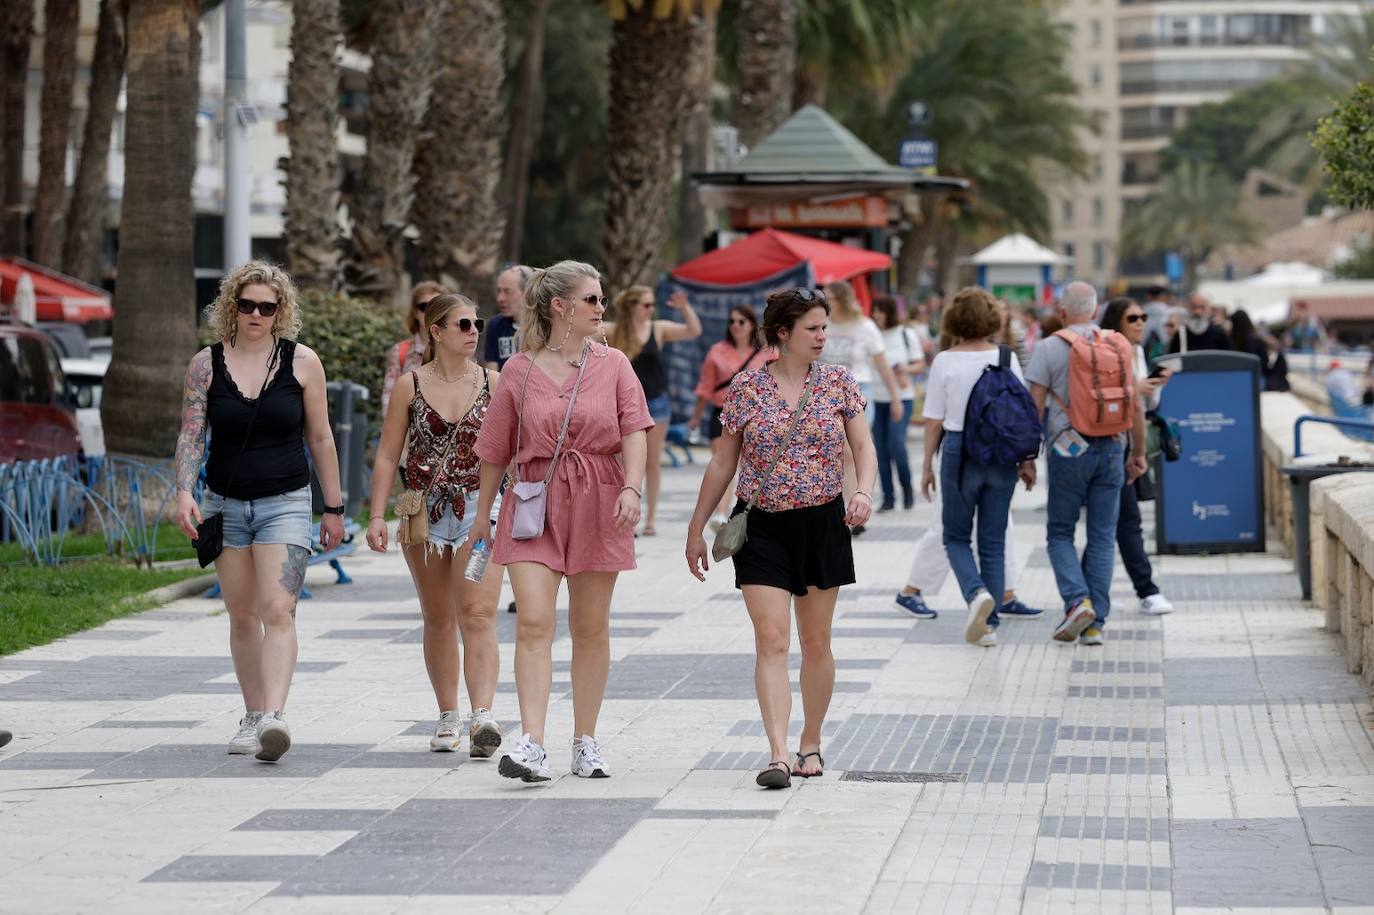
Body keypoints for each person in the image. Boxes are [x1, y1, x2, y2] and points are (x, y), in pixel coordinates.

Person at [685, 287, 876, 789]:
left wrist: (865, 493)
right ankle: (775, 753)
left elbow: (863, 445)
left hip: (822, 523)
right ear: (783, 333)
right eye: (812, 328)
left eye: (824, 327)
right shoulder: (747, 388)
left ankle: (809, 742)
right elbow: (724, 461)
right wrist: (695, 527)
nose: (822, 337)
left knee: (816, 643)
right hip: (761, 524)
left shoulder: (838, 383)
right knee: (771, 640)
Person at [470, 260, 651, 783]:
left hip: (599, 498)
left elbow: (635, 428)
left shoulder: (615, 363)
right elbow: (495, 450)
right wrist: (483, 514)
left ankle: (585, 740)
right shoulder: (517, 372)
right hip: (532, 503)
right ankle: (531, 743)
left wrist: (633, 487)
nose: (602, 309)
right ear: (560, 307)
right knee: (533, 622)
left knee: (590, 628)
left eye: (602, 299)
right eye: (592, 299)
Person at [174, 261, 346, 761]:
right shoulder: (205, 364)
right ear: (231, 306)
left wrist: (332, 506)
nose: (255, 314)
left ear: (280, 312)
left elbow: (321, 436)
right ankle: (252, 716)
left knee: (279, 609)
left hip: (286, 501)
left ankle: (274, 715)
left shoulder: (303, 362)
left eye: (266, 307)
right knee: (243, 614)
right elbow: (191, 433)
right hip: (223, 503)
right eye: (246, 304)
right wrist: (184, 490)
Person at [366, 294, 506, 756]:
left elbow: (510, 452)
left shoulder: (494, 382)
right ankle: (448, 714)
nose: (473, 331)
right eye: (463, 323)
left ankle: (482, 715)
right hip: (421, 513)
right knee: (438, 616)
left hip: (478, 512)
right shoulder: (410, 385)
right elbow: (389, 453)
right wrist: (375, 515)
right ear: (436, 331)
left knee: (479, 613)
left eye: (477, 323)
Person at [1026, 282, 1147, 647]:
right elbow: (1136, 404)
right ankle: (1095, 624)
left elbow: (1034, 408)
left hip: (1068, 449)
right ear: (1094, 311)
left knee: (1061, 532)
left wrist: (1028, 457)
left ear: (1062, 312)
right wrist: (1137, 453)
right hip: (1113, 445)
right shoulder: (1118, 344)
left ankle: (1078, 601)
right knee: (1101, 536)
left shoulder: (1048, 347)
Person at [919, 287, 1037, 647]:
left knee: (955, 536)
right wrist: (1027, 460)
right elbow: (1021, 414)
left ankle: (976, 595)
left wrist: (926, 466)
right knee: (993, 539)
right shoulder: (1006, 357)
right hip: (1002, 455)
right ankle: (990, 624)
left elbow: (934, 422)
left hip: (959, 453)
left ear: (954, 319)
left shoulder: (945, 361)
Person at [1098, 297, 1175, 616]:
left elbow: (1146, 405)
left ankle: (1091, 590)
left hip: (1131, 440)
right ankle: (1145, 589)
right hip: (1114, 443)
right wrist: (1136, 388)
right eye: (1133, 318)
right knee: (1124, 520)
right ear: (1116, 322)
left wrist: (1152, 386)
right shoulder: (1105, 352)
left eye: (1143, 317)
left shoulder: (1139, 352)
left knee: (1111, 521)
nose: (1141, 323)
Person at [605, 286, 701, 536]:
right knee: (622, 462)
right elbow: (581, 335)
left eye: (652, 305)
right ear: (632, 306)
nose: (651, 310)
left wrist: (684, 308)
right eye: (646, 305)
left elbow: (693, 331)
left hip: (655, 403)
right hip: (621, 405)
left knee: (652, 463)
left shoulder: (657, 329)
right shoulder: (614, 331)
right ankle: (625, 517)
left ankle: (650, 520)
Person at [820, 279, 902, 535]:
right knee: (834, 455)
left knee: (850, 451)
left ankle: (854, 506)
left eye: (830, 297)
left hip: (858, 393)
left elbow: (881, 364)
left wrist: (895, 397)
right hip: (824, 393)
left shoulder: (865, 327)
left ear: (842, 299)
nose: (825, 302)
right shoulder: (822, 323)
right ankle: (841, 505)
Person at [688, 304, 774, 531]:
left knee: (750, 464)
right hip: (721, 413)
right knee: (723, 462)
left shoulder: (766, 353)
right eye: (731, 322)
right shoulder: (717, 351)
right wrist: (696, 417)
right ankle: (720, 513)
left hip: (756, 415)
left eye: (741, 322)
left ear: (752, 325)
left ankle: (751, 511)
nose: (735, 326)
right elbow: (706, 387)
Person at [870, 295, 922, 511]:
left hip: (902, 398)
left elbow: (919, 365)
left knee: (896, 444)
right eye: (875, 310)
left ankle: (907, 488)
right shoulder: (872, 334)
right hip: (875, 398)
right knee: (880, 449)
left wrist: (905, 369)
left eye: (881, 310)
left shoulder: (905, 334)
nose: (876, 315)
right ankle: (888, 497)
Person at [383, 281, 449, 415]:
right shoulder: (400, 352)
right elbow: (388, 402)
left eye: (436, 306)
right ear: (414, 312)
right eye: (424, 306)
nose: (430, 312)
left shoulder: (456, 350)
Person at [485, 265, 531, 372]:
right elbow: (491, 373)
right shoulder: (496, 325)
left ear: (528, 292)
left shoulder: (546, 325)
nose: (500, 298)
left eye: (507, 291)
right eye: (499, 291)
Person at [1140, 285, 1172, 361]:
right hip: (1165, 348)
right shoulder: (1168, 310)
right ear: (1162, 296)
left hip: (1144, 347)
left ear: (1148, 296)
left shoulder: (1142, 310)